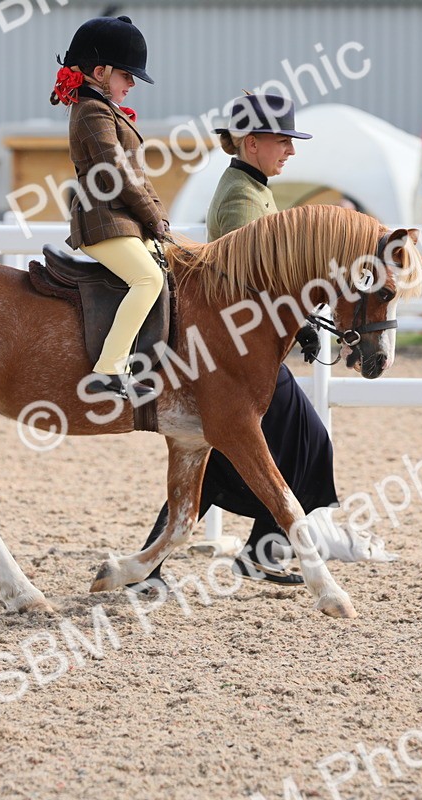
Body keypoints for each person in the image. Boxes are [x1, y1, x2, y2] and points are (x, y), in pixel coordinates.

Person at [136, 93, 339, 588]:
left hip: (250, 342)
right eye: (282, 140)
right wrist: (302, 322)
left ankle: (185, 559)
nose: (290, 149)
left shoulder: (254, 187)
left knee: (240, 454)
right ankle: (255, 552)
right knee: (301, 443)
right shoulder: (240, 198)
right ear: (252, 143)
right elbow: (252, 277)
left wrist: (300, 320)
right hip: (239, 346)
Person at [52, 15, 168, 401]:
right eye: (126, 76)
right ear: (100, 72)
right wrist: (152, 217)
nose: (131, 84)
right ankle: (109, 370)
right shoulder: (92, 112)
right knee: (148, 279)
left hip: (122, 220)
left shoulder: (106, 109)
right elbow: (118, 172)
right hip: (102, 221)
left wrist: (158, 215)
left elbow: (138, 173)